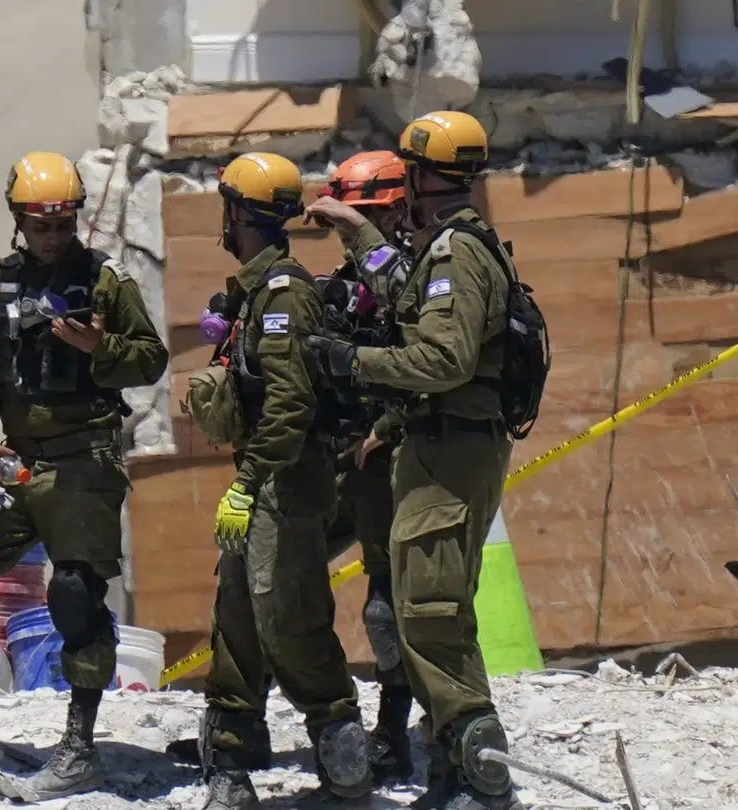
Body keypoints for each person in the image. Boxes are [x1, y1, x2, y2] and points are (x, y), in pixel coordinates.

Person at [0, 151, 168, 801]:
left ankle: (79, 749)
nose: (52, 237)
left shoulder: (105, 283)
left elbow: (151, 359)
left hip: (83, 459)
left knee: (75, 595)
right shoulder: (3, 287)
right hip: (17, 461)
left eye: (62, 223)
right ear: (19, 220)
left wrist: (96, 348)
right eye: (39, 225)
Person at [304, 111, 523, 810]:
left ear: (423, 174)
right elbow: (404, 294)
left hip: (452, 446)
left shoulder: (458, 253)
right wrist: (357, 229)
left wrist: (353, 360)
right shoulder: (450, 247)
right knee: (424, 610)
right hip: (441, 448)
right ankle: (451, 768)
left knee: (429, 614)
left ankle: (480, 779)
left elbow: (444, 357)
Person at [193, 152, 373, 810]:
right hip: (265, 474)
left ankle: (341, 750)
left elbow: (291, 405)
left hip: (286, 481)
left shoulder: (281, 296)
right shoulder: (253, 293)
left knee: (287, 614)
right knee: (237, 614)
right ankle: (231, 754)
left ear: (239, 213)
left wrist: (247, 484)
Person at [312, 150, 421, 786]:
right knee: (267, 579)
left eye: (365, 220)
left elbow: (436, 363)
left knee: (385, 611)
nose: (350, 235)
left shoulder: (415, 278)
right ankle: (246, 730)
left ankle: (393, 734)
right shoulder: (342, 286)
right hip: (334, 460)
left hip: (388, 462)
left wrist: (386, 428)